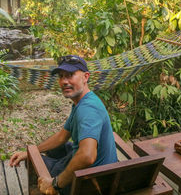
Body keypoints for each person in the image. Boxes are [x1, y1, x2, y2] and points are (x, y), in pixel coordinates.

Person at [9, 55, 117, 195]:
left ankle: (45, 190)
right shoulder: (82, 101)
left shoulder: (88, 109)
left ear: (86, 77)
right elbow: (62, 136)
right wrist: (30, 152)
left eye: (70, 75)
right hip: (100, 172)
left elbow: (87, 156)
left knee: (35, 164)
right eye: (61, 76)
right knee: (54, 149)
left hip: (89, 183)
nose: (64, 81)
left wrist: (55, 184)